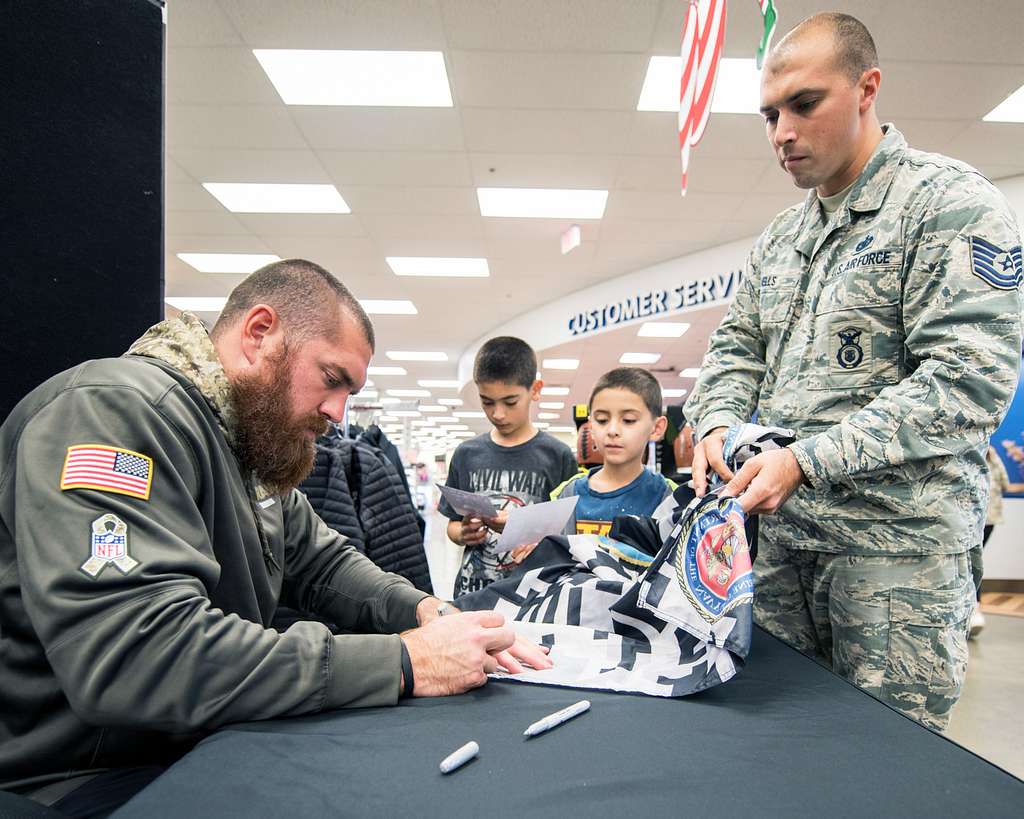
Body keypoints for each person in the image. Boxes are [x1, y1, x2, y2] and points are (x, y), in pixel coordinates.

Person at [0, 260, 550, 805]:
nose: (338, 412)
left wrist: (427, 613)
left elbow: (325, 564)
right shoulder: (112, 413)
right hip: (77, 777)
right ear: (259, 333)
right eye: (332, 380)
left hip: (189, 744)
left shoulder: (245, 443)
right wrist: (408, 661)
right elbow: (140, 656)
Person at [684, 13, 1023, 730]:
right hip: (780, 554)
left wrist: (804, 461)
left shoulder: (948, 205)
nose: (781, 131)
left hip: (895, 561)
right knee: (780, 753)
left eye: (805, 104)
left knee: (884, 768)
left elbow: (968, 381)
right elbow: (736, 345)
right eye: (770, 113)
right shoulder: (783, 235)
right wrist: (715, 419)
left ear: (868, 88)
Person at [439, 337, 578, 595]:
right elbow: (452, 525)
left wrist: (535, 538)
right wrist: (463, 534)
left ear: (535, 390)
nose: (498, 414)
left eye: (510, 402)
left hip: (531, 594)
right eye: (487, 402)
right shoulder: (466, 454)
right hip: (472, 593)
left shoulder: (558, 456)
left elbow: (569, 534)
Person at [552, 368, 674, 536]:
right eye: (602, 420)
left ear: (657, 428)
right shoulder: (568, 493)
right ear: (591, 425)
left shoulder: (668, 497)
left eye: (628, 420)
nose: (612, 430)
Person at [971, 445, 1011, 637]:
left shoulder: (992, 457)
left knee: (973, 563)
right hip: (971, 519)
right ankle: (973, 610)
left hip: (985, 519)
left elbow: (1005, 484)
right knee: (973, 562)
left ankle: (975, 610)